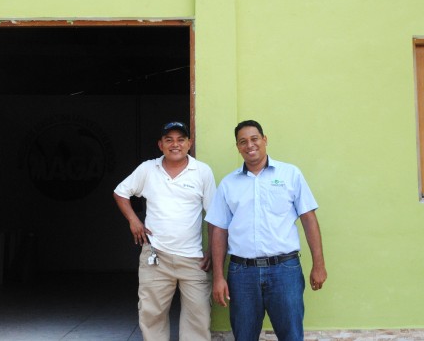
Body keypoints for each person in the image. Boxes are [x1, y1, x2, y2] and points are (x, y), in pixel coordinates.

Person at [205, 120, 327, 341]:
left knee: (291, 335)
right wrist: (218, 278)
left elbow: (309, 220)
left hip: (285, 271)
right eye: (243, 142)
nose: (249, 145)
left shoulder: (291, 174)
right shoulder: (228, 184)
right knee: (243, 336)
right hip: (242, 274)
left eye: (254, 139)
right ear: (238, 147)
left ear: (264, 139)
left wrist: (319, 265)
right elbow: (219, 231)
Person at [113, 121, 216, 341]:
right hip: (155, 256)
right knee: (152, 317)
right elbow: (121, 192)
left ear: (189, 143)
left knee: (198, 319)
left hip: (194, 260)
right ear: (160, 145)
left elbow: (214, 217)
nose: (175, 144)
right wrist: (134, 221)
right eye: (169, 140)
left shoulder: (202, 172)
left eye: (181, 139)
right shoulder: (148, 169)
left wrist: (211, 252)